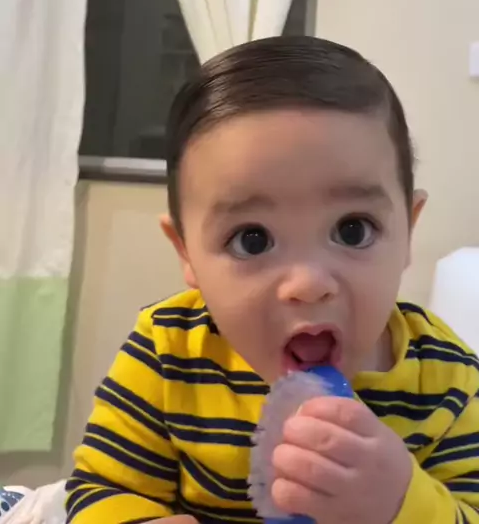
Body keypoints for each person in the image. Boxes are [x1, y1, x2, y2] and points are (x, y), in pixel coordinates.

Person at [66, 36, 479, 524]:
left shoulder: (450, 381)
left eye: (353, 230)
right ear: (186, 252)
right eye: (252, 240)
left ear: (408, 231)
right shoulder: (167, 351)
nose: (308, 283)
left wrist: (401, 504)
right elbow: (100, 488)